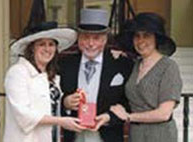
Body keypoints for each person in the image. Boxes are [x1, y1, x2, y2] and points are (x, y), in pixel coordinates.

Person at [59, 9, 133, 142]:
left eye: (96, 38)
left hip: (108, 135)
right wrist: (65, 103)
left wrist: (110, 116)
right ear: (79, 38)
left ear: (105, 39)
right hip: (75, 136)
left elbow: (129, 102)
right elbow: (55, 96)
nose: (91, 43)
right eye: (85, 37)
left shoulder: (121, 64)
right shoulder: (66, 64)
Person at [3, 21, 85, 142]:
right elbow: (24, 115)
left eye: (51, 44)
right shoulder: (18, 72)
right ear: (31, 48)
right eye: (42, 44)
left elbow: (53, 107)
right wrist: (61, 121)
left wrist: (67, 104)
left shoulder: (52, 77)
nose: (47, 49)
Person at [110, 12, 182, 142]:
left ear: (156, 39)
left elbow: (164, 114)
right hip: (136, 134)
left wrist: (128, 117)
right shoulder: (136, 65)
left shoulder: (169, 67)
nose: (141, 41)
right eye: (137, 36)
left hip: (160, 134)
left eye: (146, 36)